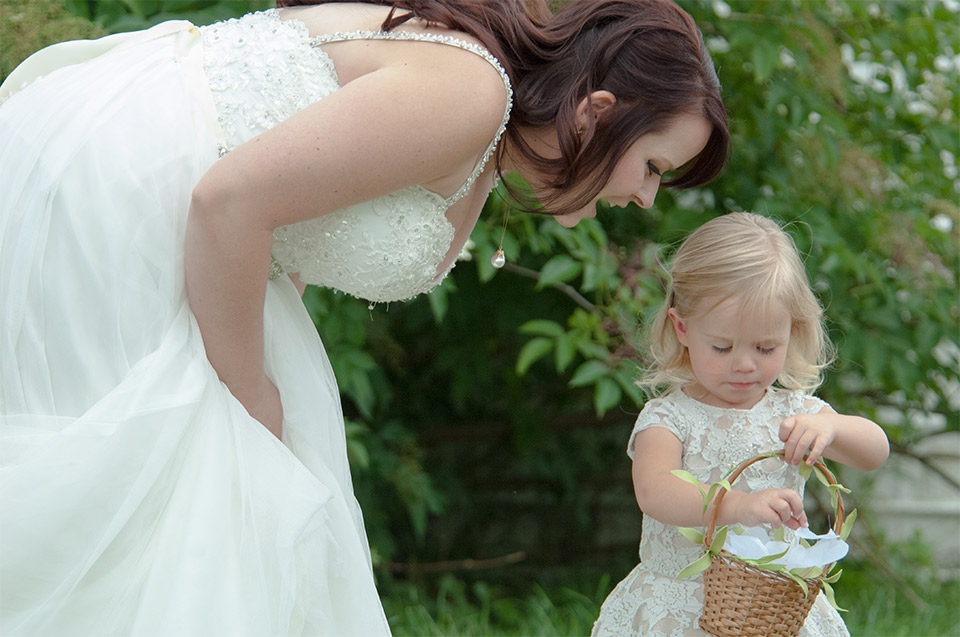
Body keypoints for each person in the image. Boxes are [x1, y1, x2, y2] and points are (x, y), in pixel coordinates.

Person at [0, 0, 729, 634]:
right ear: (595, 110)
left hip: (166, 204)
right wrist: (249, 396)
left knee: (199, 496)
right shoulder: (471, 93)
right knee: (166, 478)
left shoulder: (489, 132)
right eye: (655, 167)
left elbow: (294, 228)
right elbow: (229, 203)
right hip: (117, 188)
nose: (647, 200)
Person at [590, 212, 890, 637]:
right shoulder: (670, 417)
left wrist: (835, 429)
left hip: (772, 608)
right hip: (682, 604)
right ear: (682, 329)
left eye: (766, 347)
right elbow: (654, 491)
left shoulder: (796, 412)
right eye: (723, 346)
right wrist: (734, 507)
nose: (745, 364)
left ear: (792, 331)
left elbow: (875, 451)